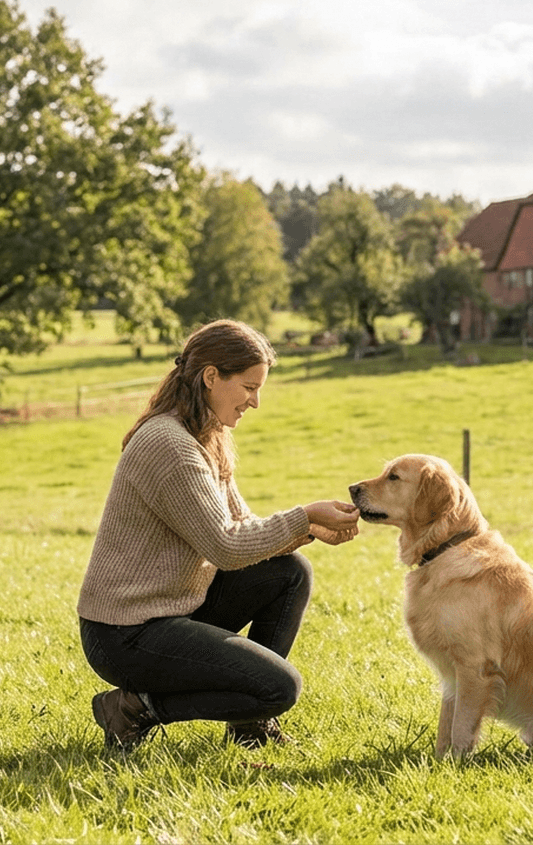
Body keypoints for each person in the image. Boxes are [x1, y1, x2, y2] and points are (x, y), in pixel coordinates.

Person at [77, 319, 360, 751]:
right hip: (125, 633)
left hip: (172, 608)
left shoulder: (206, 435)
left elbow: (241, 526)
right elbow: (226, 547)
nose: (256, 401)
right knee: (279, 688)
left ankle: (248, 725)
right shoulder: (169, 444)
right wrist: (302, 517)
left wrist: (309, 529)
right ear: (211, 376)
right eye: (249, 387)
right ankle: (133, 707)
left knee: (289, 573)